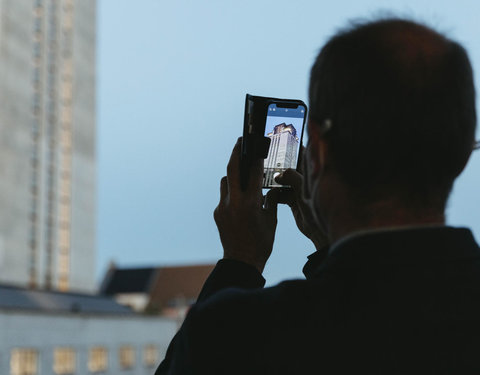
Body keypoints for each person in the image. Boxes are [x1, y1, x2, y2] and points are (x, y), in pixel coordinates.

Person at [156, 17, 479, 374]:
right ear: (463, 152)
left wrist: (240, 263)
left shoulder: (243, 334)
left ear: (318, 151)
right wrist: (328, 248)